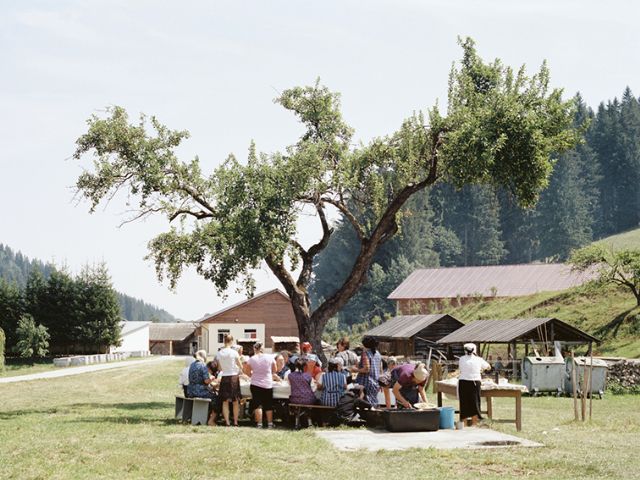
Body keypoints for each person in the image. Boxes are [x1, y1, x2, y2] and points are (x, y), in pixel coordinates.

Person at [458, 343, 491, 426]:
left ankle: (464, 423)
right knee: (475, 402)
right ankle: (474, 423)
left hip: (463, 381)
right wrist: (481, 370)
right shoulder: (479, 359)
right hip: (475, 382)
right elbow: (488, 367)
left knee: (464, 402)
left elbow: (461, 368)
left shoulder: (461, 359)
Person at [215, 334, 244, 427]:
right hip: (234, 377)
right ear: (231, 341)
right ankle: (235, 422)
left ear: (224, 341)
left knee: (225, 401)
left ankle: (227, 422)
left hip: (224, 377)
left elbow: (219, 368)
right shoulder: (234, 352)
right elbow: (241, 366)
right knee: (235, 401)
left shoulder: (219, 353)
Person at [247, 342, 277, 429]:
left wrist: (253, 374)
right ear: (262, 348)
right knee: (268, 404)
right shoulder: (270, 357)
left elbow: (247, 372)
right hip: (267, 383)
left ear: (254, 349)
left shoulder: (252, 359)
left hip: (255, 383)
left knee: (257, 404)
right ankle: (270, 423)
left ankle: (259, 424)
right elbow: (275, 369)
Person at [186, 350, 218, 426]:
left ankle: (206, 417)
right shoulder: (203, 365)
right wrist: (212, 379)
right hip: (199, 391)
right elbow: (206, 381)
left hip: (190, 390)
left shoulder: (192, 365)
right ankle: (211, 420)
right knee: (217, 398)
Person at [352, 336, 382, 407]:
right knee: (373, 402)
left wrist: (355, 369)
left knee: (364, 402)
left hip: (366, 382)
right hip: (376, 381)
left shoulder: (365, 353)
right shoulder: (378, 354)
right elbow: (380, 369)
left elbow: (366, 369)